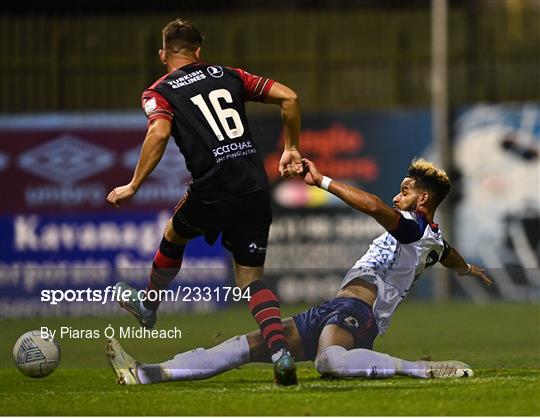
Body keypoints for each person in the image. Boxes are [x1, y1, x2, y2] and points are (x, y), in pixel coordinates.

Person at [106, 158, 493, 384]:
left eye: (405, 191)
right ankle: (144, 373)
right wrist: (469, 268)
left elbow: (375, 206)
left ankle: (420, 368)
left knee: (329, 362)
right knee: (247, 345)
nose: (398, 196)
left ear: (422, 199)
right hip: (334, 309)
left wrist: (322, 180)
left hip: (360, 314)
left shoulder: (414, 225)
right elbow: (449, 255)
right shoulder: (433, 239)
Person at [105, 18, 303, 385]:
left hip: (213, 187)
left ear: (163, 55)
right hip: (254, 186)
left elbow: (159, 130)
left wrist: (133, 184)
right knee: (250, 280)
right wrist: (291, 148)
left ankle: (149, 307)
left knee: (174, 233)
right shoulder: (229, 74)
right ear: (199, 52)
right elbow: (289, 97)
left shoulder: (158, 92)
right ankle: (280, 353)